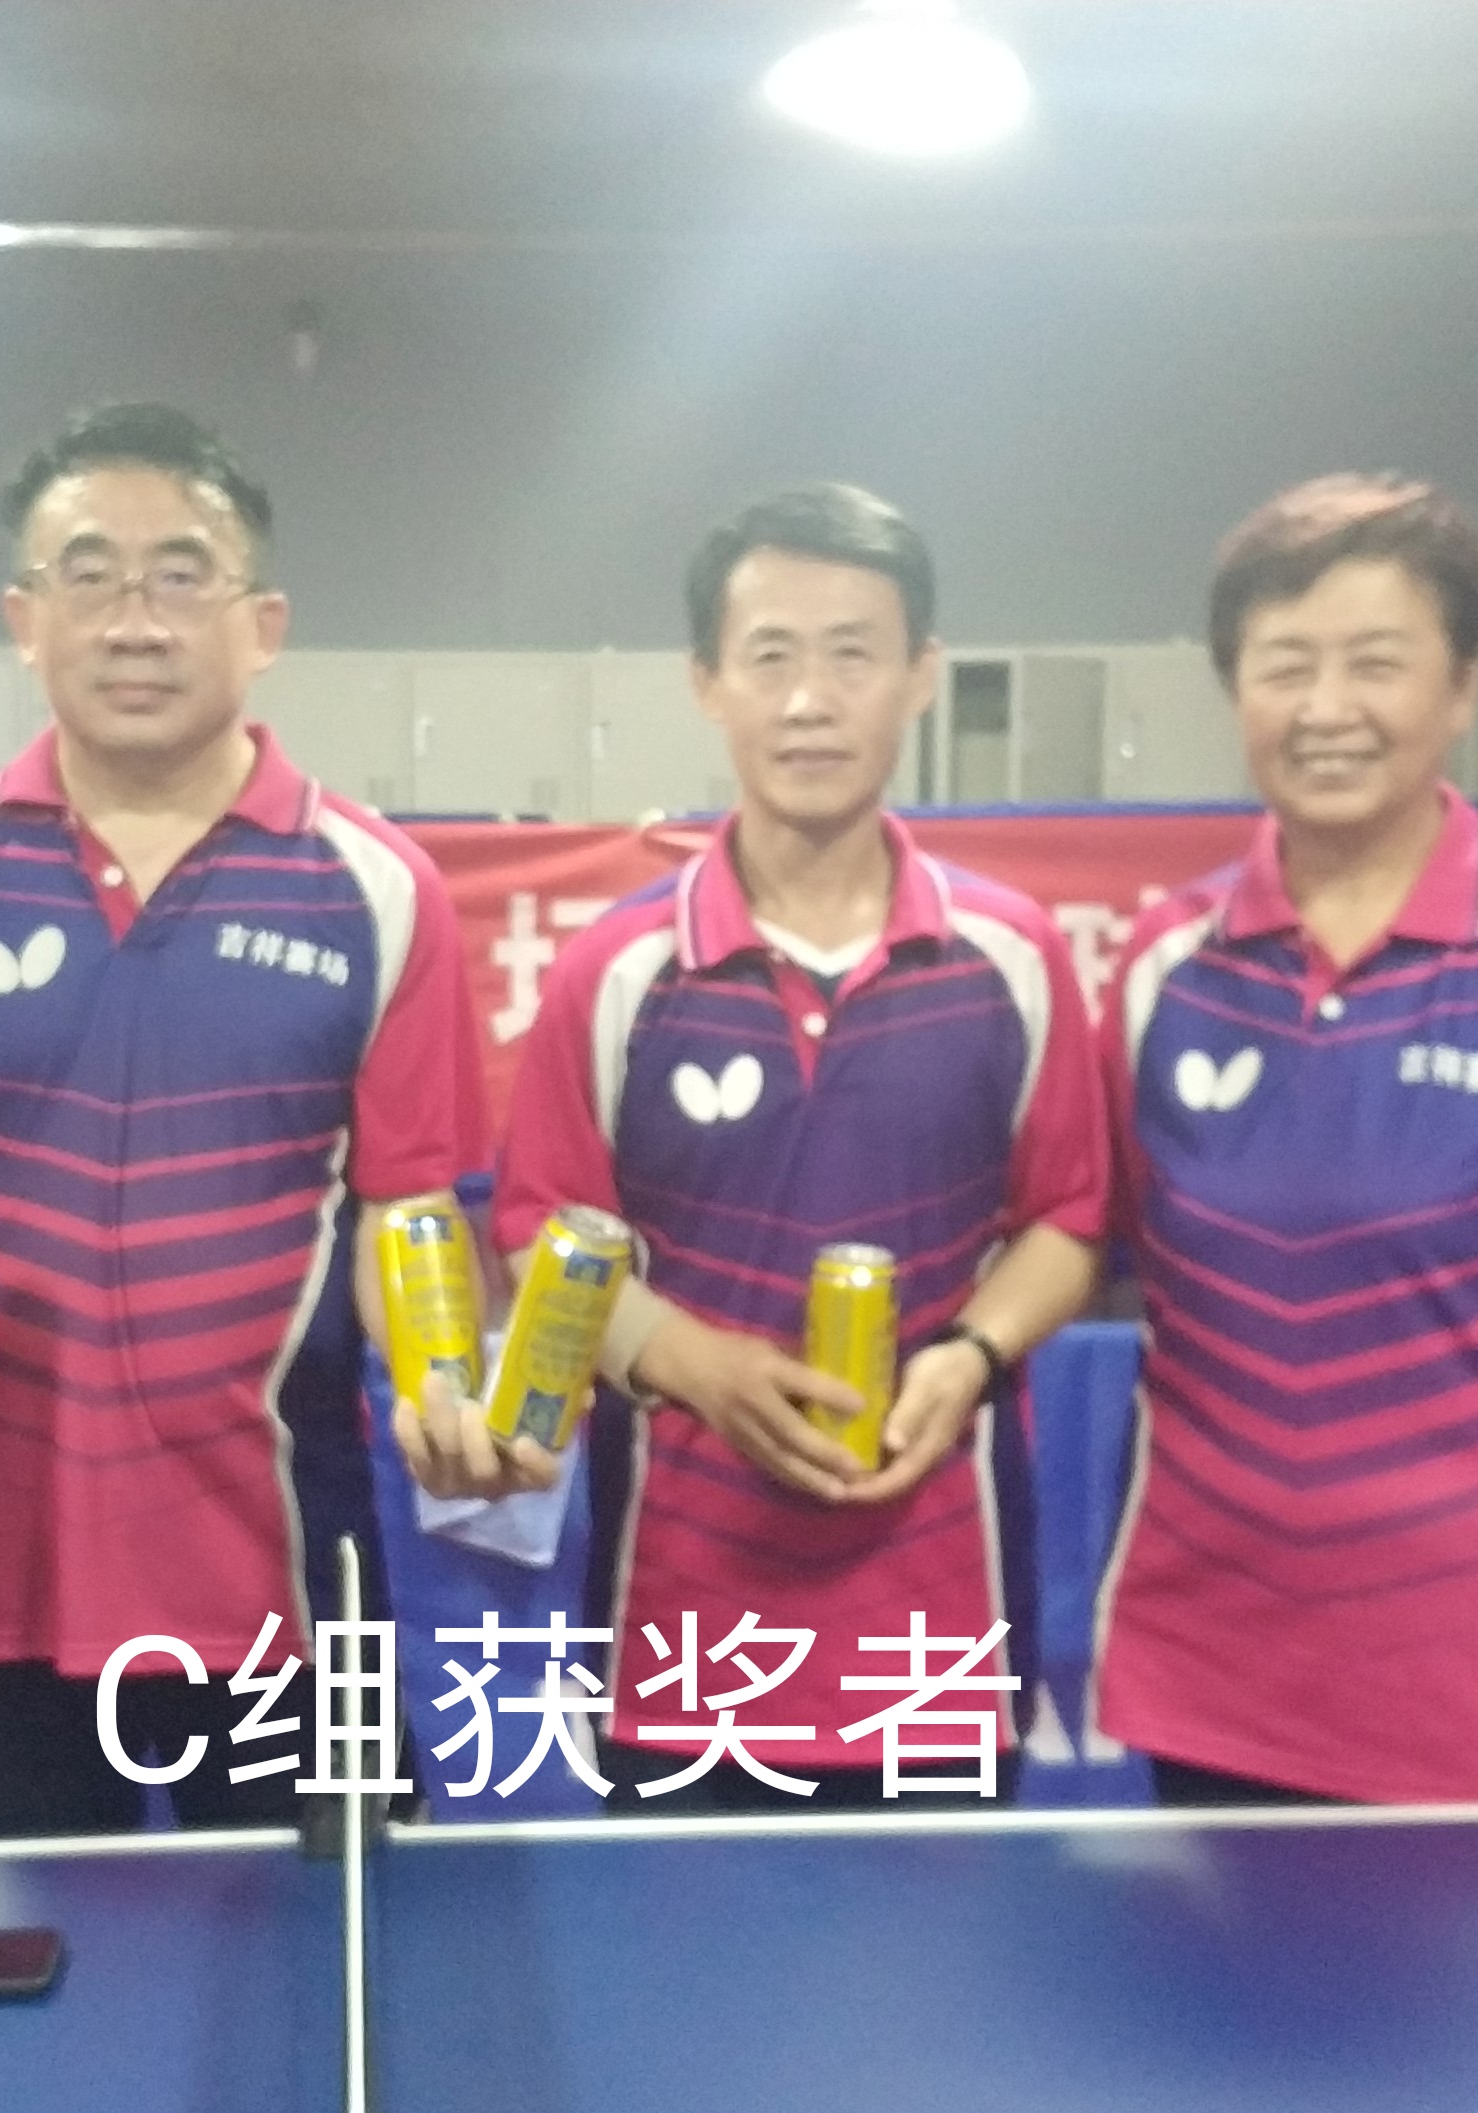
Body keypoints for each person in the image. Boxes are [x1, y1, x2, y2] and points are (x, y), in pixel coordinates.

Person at [0, 402, 483, 1838]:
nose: (134, 620)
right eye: (88, 575)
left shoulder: (379, 890)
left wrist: (446, 1385)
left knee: (338, 1972)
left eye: (180, 575)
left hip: (298, 1592)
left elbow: (404, 1214)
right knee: (6, 1980)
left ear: (263, 625)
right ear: (24, 622)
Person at [453, 483, 1106, 1811]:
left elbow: (1070, 1220)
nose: (812, 700)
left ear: (922, 674)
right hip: (679, 1636)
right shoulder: (616, 970)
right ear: (708, 683)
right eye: (771, 656)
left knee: (948, 1951)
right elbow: (541, 1233)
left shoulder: (1011, 955)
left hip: (938, 1634)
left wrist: (971, 1354)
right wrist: (691, 1362)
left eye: (854, 654)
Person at [1093, 473, 1478, 1807]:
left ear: (1462, 688)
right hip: (1217, 1670)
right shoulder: (1164, 963)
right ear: (1236, 694)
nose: (1327, 708)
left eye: (1376, 663)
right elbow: (1124, 1256)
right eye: (1284, 666)